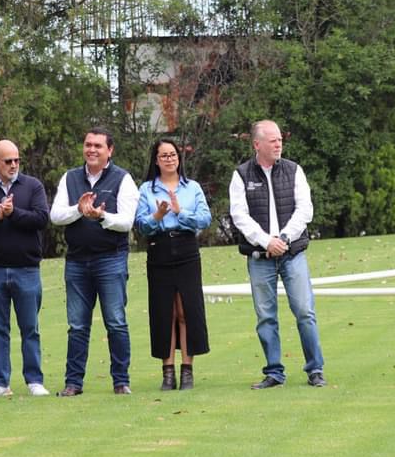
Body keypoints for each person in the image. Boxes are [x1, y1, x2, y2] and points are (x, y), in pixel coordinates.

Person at [229, 120, 326, 389]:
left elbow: (305, 210)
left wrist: (282, 238)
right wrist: (265, 241)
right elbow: (239, 215)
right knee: (266, 317)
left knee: (305, 312)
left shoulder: (294, 170)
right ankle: (274, 372)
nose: (278, 144)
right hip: (260, 258)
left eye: (280, 139)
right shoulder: (241, 175)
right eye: (272, 140)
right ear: (256, 144)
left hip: (292, 253)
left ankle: (315, 369)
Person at [50, 127, 139, 396]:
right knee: (77, 325)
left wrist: (101, 216)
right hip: (77, 261)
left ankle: (121, 381)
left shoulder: (122, 179)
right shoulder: (70, 178)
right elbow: (55, 215)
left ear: (109, 150)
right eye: (88, 144)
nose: (91, 150)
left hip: (110, 259)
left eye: (98, 146)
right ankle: (73, 383)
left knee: (115, 321)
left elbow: (126, 222)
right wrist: (79, 209)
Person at [0, 140, 51, 397]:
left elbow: (41, 219)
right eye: (7, 161)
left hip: (26, 268)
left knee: (30, 328)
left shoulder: (32, 186)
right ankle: (0, 382)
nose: (13, 165)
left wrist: (13, 214)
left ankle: (34, 380)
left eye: (16, 160)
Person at [135, 139, 212, 391]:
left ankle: (187, 370)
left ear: (179, 158)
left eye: (173, 154)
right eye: (163, 155)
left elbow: (205, 218)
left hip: (187, 249)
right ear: (156, 160)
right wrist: (157, 216)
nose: (169, 159)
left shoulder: (192, 187)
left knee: (185, 309)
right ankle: (167, 372)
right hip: (160, 250)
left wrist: (180, 213)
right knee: (163, 310)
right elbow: (140, 225)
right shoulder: (147, 189)